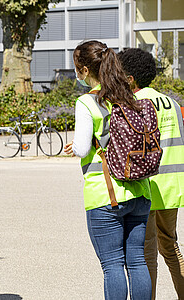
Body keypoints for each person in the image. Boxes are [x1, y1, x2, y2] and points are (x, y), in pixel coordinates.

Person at [63, 40, 152, 299]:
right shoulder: (129, 96)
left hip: (105, 193)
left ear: (85, 71)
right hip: (140, 190)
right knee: (137, 261)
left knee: (112, 265)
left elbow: (81, 147)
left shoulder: (87, 102)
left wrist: (74, 148)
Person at [118, 48, 184, 300]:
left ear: (130, 78)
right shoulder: (173, 103)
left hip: (147, 186)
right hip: (172, 186)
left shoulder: (135, 105)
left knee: (145, 254)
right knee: (170, 246)